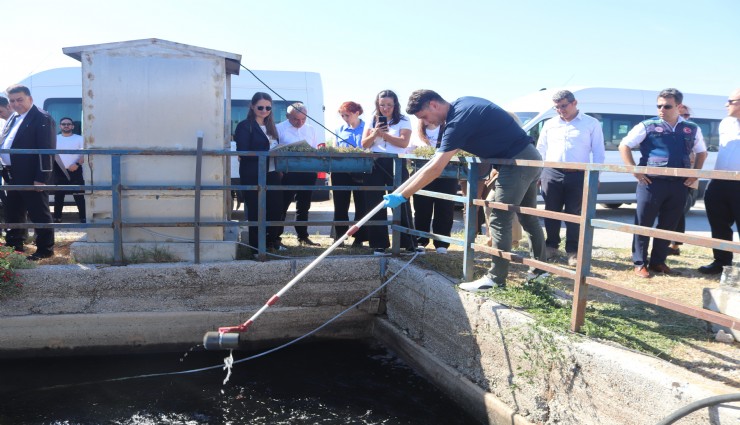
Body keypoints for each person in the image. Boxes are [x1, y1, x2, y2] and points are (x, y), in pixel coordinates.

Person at [392, 89, 545, 291]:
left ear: (433, 105)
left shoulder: (457, 121)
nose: (427, 122)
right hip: (528, 157)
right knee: (527, 217)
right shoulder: (463, 103)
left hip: (516, 162)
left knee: (499, 215)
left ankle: (496, 279)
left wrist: (402, 195)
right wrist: (398, 192)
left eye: (425, 116)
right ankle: (540, 271)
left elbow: (435, 167)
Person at [618, 88, 707, 278]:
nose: (661, 109)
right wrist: (635, 170)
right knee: (643, 224)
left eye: (667, 106)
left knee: (668, 225)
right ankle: (639, 263)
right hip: (651, 183)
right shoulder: (647, 125)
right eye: (659, 105)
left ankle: (658, 262)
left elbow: (702, 152)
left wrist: (695, 174)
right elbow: (624, 145)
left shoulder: (691, 128)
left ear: (679, 106)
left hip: (678, 185)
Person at [536, 90, 605, 266]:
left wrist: (596, 175)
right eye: (557, 107)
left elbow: (598, 151)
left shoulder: (591, 123)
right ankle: (551, 246)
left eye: (563, 106)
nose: (560, 110)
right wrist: (538, 172)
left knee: (574, 214)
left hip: (579, 174)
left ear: (575, 103)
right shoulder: (550, 124)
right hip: (551, 172)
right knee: (551, 211)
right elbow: (541, 148)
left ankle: (573, 252)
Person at [0, 85, 56, 260]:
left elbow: (47, 150)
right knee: (14, 211)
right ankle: (14, 246)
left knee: (38, 212)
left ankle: (45, 250)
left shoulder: (42, 118)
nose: (16, 104)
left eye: (20, 100)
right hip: (11, 174)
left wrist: (41, 178)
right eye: (12, 101)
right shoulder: (14, 117)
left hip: (31, 175)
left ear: (30, 99)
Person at [361, 90, 419, 255]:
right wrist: (375, 133)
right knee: (374, 202)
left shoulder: (403, 120)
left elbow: (403, 142)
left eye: (389, 105)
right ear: (377, 104)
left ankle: (408, 242)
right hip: (374, 162)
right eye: (382, 105)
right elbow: (364, 144)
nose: (385, 108)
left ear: (395, 105)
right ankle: (378, 243)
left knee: (401, 201)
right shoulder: (371, 119)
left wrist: (384, 135)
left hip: (396, 161)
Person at [234, 92, 284, 253]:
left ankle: (271, 242)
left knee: (276, 209)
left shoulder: (272, 126)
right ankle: (256, 248)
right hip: (253, 174)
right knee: (256, 211)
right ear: (252, 106)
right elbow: (243, 151)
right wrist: (267, 151)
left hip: (271, 173)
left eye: (268, 107)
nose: (264, 110)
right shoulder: (244, 125)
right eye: (260, 107)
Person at [698, 89, 740, 275]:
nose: (726, 104)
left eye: (730, 101)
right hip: (719, 181)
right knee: (718, 224)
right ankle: (721, 262)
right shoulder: (725, 122)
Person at [276, 103, 321, 246]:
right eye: (296, 119)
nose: (300, 123)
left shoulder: (311, 129)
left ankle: (303, 236)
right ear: (288, 116)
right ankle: (276, 237)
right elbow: (274, 150)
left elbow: (314, 150)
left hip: (307, 172)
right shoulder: (279, 128)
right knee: (281, 205)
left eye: (303, 119)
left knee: (304, 206)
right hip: (288, 173)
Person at [411, 120, 456, 254]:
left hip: (447, 173)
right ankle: (420, 241)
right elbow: (408, 150)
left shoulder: (448, 128)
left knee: (445, 207)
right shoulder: (417, 132)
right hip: (422, 172)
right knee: (421, 208)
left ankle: (442, 243)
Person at [332, 101, 368, 246]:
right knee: (340, 204)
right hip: (341, 171)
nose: (344, 118)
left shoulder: (367, 128)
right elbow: (335, 148)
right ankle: (340, 236)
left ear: (357, 113)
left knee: (362, 205)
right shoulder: (339, 129)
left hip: (362, 171)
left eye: (347, 115)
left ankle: (360, 238)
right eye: (342, 115)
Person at [667, 105, 698, 256]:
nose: (685, 118)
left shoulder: (692, 130)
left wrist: (693, 176)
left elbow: (698, 154)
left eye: (687, 115)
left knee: (678, 211)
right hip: (669, 178)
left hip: (686, 178)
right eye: (682, 115)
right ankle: (671, 243)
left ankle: (675, 245)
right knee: (668, 212)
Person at [52, 117, 86, 223]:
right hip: (59, 170)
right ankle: (57, 218)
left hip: (75, 170)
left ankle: (83, 217)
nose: (66, 125)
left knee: (79, 195)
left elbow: (85, 154)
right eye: (63, 124)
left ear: (72, 126)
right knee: (58, 196)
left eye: (68, 124)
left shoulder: (80, 139)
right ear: (60, 126)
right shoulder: (54, 139)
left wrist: (77, 164)